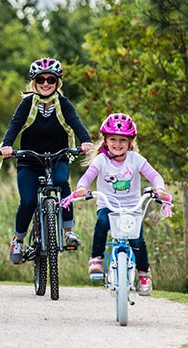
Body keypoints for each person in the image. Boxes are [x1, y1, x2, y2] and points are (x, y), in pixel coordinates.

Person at [0, 57, 94, 265]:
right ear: (34, 82)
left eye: (51, 79)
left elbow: (75, 122)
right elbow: (14, 125)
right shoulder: (27, 104)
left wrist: (86, 141)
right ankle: (19, 240)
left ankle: (68, 231)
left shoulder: (63, 104)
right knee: (29, 201)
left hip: (58, 157)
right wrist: (6, 145)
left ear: (58, 82)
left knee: (61, 182)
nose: (46, 83)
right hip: (29, 160)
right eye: (41, 79)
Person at [72, 113, 170, 296]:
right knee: (102, 222)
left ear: (130, 142)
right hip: (108, 205)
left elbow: (155, 176)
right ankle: (96, 259)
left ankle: (143, 274)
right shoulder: (101, 160)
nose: (117, 144)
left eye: (122, 140)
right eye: (113, 139)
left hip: (132, 207)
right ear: (106, 140)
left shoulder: (136, 159)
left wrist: (160, 189)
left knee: (137, 240)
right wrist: (82, 187)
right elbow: (87, 176)